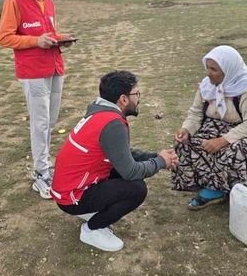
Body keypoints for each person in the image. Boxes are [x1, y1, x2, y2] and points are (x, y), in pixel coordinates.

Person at [51, 71, 178, 252]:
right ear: (123, 99)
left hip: (71, 187)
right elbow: (130, 171)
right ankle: (92, 229)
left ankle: (91, 210)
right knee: (136, 189)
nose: (139, 98)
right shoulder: (113, 124)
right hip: (71, 197)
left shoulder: (100, 111)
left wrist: (155, 156)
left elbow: (121, 154)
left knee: (124, 174)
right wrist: (160, 163)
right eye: (136, 94)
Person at [0, 0, 74, 199]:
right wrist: (34, 42)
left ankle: (45, 166)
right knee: (40, 123)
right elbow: (5, 37)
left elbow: (48, 33)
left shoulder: (47, 0)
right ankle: (41, 172)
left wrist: (61, 39)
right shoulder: (14, 1)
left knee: (50, 121)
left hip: (54, 66)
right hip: (32, 72)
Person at [171, 46, 247, 210]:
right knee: (186, 144)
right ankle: (210, 186)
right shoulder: (206, 86)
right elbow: (196, 113)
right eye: (207, 67)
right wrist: (186, 129)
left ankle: (237, 190)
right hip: (215, 128)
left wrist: (224, 140)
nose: (208, 73)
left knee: (238, 152)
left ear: (228, 70)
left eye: (214, 69)